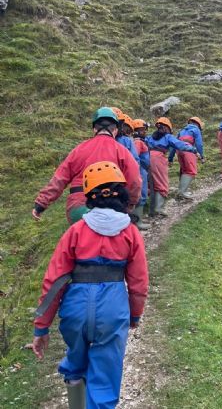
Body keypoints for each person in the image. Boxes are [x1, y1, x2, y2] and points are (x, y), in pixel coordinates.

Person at [31, 161, 148, 409]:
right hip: (113, 311)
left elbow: (54, 281)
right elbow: (138, 282)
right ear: (122, 193)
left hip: (75, 309)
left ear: (88, 196)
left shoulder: (75, 231)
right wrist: (135, 314)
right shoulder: (131, 232)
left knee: (75, 365)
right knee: (105, 377)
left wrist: (41, 327)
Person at [32, 108, 142, 224]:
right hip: (110, 203)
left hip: (78, 206)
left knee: (78, 233)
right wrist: (130, 203)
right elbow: (135, 180)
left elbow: (59, 178)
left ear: (94, 129)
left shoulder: (79, 150)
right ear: (115, 130)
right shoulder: (122, 151)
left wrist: (41, 204)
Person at [145, 117, 199, 216]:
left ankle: (150, 209)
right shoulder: (168, 137)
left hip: (146, 157)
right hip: (158, 159)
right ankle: (158, 209)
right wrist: (193, 149)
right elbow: (180, 145)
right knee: (161, 183)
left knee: (151, 184)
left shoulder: (149, 137)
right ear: (167, 128)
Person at [168, 117, 205, 200]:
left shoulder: (181, 131)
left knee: (185, 170)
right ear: (198, 124)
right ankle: (182, 192)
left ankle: (181, 191)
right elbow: (199, 144)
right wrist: (202, 156)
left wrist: (170, 158)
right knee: (191, 171)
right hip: (188, 149)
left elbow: (174, 145)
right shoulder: (196, 130)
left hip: (179, 151)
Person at [132, 119, 151, 230]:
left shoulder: (140, 141)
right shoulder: (138, 142)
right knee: (141, 195)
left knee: (142, 194)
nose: (145, 132)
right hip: (140, 170)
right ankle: (138, 222)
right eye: (143, 130)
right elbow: (135, 157)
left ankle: (138, 220)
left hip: (142, 169)